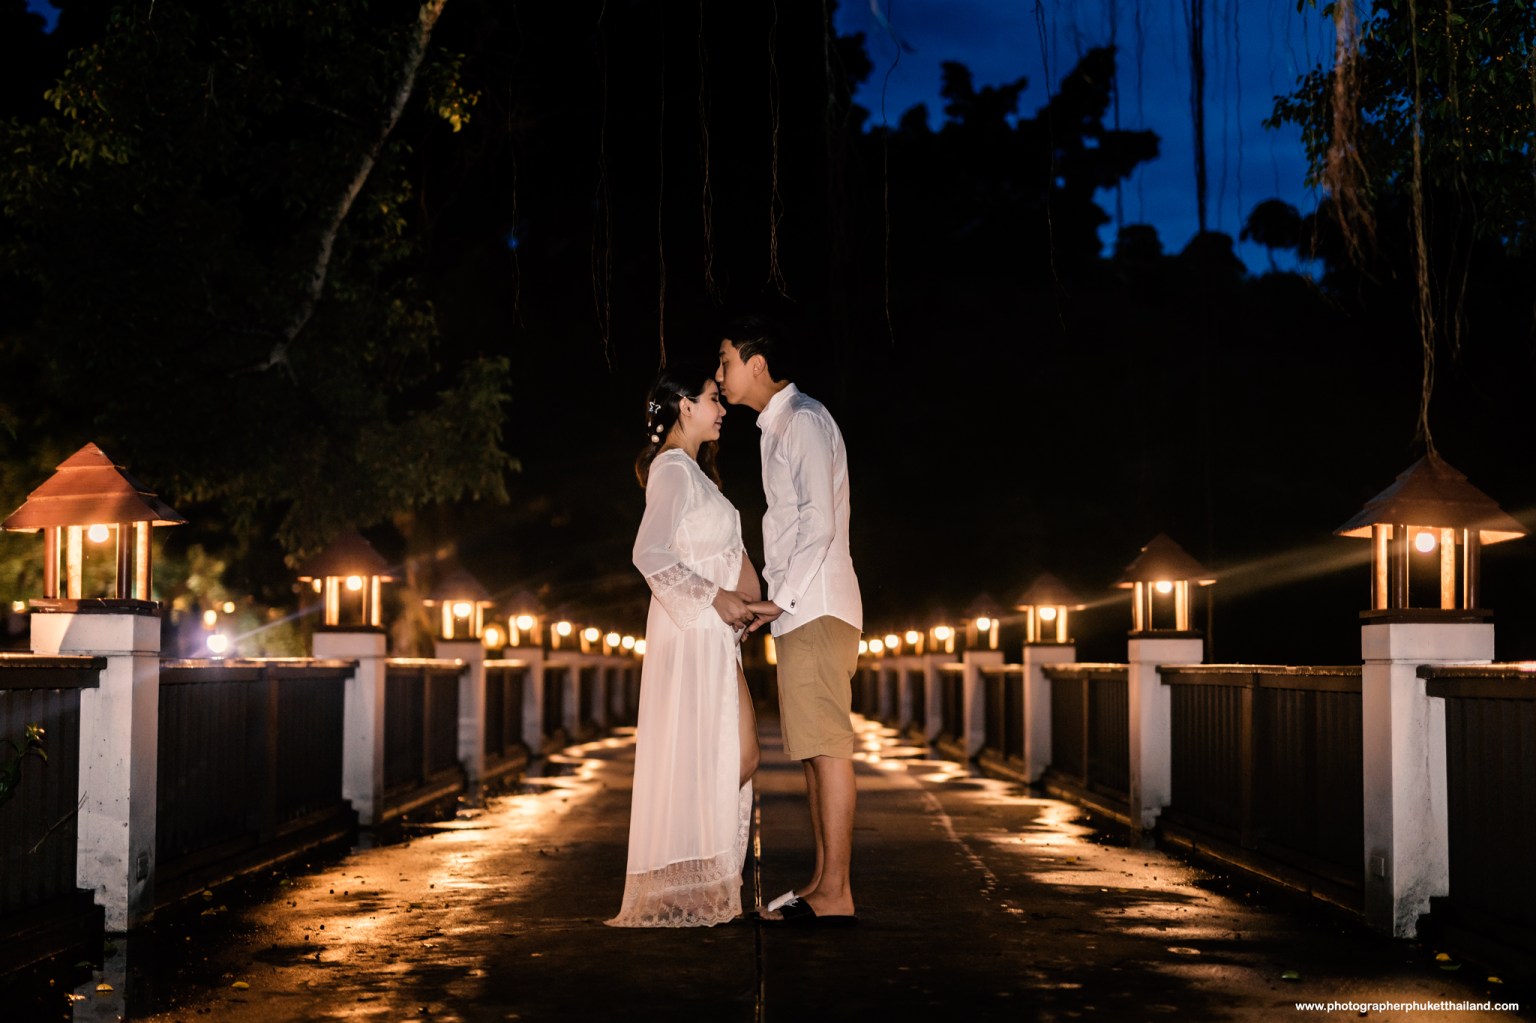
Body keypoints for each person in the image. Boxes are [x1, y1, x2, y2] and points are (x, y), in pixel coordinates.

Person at [716, 315, 862, 928]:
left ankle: (838, 893)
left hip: (818, 604)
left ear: (755, 363)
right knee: (811, 749)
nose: (718, 374)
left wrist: (783, 598)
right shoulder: (776, 427)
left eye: (724, 361)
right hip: (806, 608)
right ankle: (825, 882)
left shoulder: (801, 420)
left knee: (826, 747)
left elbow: (820, 525)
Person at [607, 363, 763, 928]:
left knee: (731, 753)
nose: (723, 409)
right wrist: (716, 597)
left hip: (716, 634)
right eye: (712, 398)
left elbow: (720, 553)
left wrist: (750, 602)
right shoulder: (672, 469)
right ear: (683, 407)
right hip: (691, 628)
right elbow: (649, 553)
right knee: (732, 754)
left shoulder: (699, 476)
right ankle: (690, 881)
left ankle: (700, 884)